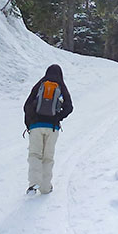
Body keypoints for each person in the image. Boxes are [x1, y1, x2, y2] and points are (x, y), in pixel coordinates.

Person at [23, 64, 73, 194]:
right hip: (52, 128)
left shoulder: (40, 84)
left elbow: (26, 106)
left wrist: (29, 123)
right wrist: (58, 117)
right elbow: (69, 107)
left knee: (35, 154)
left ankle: (34, 183)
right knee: (48, 157)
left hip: (36, 126)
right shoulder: (61, 85)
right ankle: (45, 188)